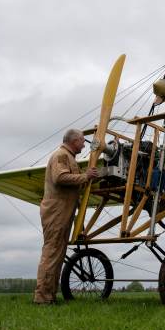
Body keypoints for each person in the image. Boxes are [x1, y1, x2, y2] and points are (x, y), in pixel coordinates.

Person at [33, 129, 99, 305]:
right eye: (82, 141)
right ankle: (42, 297)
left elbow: (73, 182)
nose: (84, 145)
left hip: (63, 210)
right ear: (75, 141)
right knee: (52, 251)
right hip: (57, 211)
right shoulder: (61, 155)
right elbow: (60, 177)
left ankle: (49, 296)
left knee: (58, 253)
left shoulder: (69, 158)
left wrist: (90, 178)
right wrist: (85, 176)